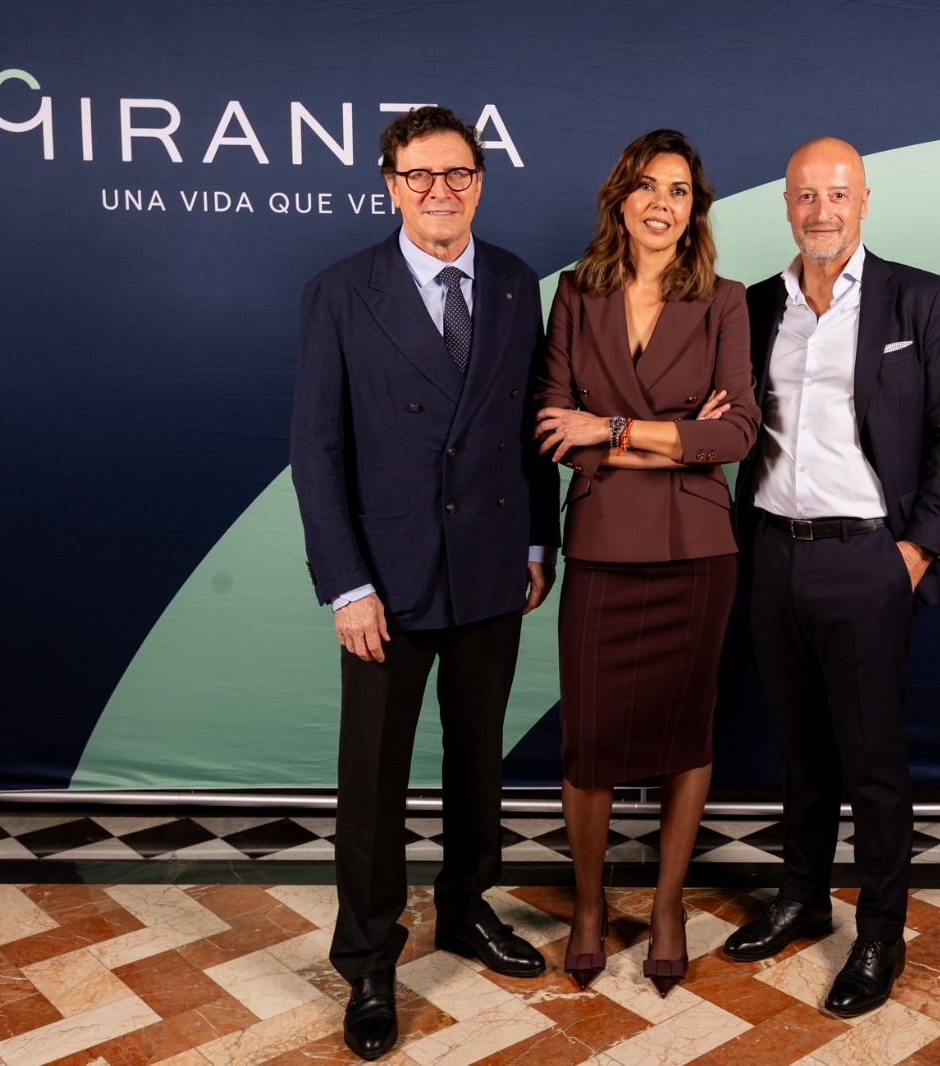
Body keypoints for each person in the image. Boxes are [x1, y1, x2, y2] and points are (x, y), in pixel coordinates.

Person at [290, 105, 560, 1061]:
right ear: (390, 185)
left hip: (492, 565)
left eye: (456, 174)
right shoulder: (339, 291)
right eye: (419, 176)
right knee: (373, 779)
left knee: (477, 755)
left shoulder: (521, 282)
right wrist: (345, 585)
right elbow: (317, 453)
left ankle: (463, 907)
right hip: (387, 580)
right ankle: (366, 960)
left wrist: (538, 544)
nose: (438, 192)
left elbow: (532, 425)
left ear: (479, 180)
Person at [720, 137, 940, 1018]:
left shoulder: (923, 298)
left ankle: (880, 931)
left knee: (871, 759)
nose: (820, 210)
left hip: (869, 559)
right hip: (771, 553)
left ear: (865, 199)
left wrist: (916, 551)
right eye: (804, 196)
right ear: (785, 206)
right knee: (797, 750)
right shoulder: (754, 306)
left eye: (837, 194)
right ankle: (800, 899)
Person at [533, 128, 758, 998]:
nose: (662, 203)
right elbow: (554, 427)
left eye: (679, 190)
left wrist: (612, 429)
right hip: (599, 546)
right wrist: (672, 437)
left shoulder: (726, 301)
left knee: (686, 731)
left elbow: (735, 434)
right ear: (619, 198)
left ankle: (666, 906)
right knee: (587, 740)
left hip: (699, 550)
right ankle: (590, 907)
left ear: (694, 209)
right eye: (647, 187)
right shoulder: (574, 296)